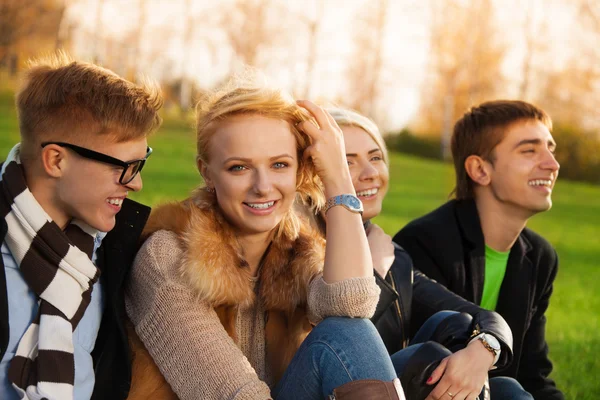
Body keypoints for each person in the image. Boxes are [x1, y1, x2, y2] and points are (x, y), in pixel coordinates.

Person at [124, 81, 403, 400]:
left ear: (299, 170)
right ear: (207, 173)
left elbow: (353, 303)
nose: (262, 186)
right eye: (239, 167)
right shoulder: (170, 257)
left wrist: (338, 177)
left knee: (374, 341)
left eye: (279, 164)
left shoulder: (296, 248)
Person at [313, 107, 536, 400]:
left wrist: (484, 350)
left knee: (502, 383)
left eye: (375, 157)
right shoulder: (301, 249)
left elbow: (483, 317)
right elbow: (335, 338)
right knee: (429, 356)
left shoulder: (397, 258)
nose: (370, 174)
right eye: (347, 162)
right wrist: (376, 269)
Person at [0, 52, 162, 400]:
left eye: (140, 163)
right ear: (56, 160)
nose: (136, 185)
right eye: (125, 166)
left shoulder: (117, 250)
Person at [393, 100, 564, 399]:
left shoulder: (540, 257)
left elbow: (532, 373)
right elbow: (428, 365)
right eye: (529, 150)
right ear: (480, 170)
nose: (552, 164)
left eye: (550, 149)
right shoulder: (425, 242)